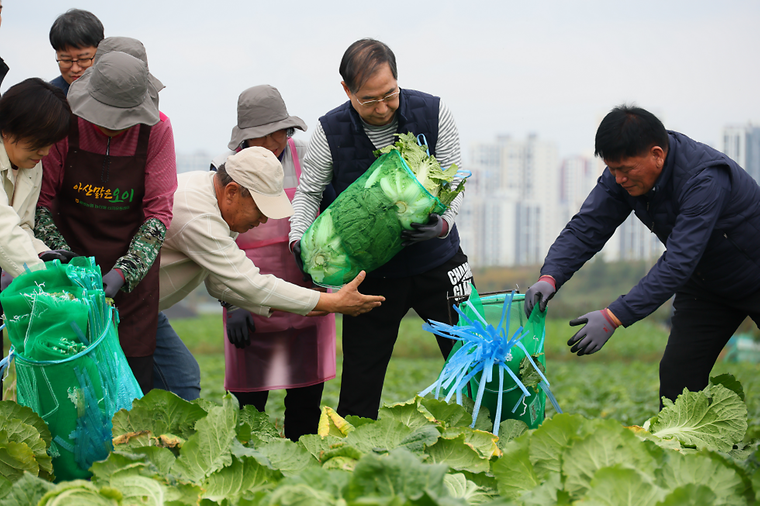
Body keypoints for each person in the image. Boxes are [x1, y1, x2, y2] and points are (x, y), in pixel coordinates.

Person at [524, 104, 760, 406]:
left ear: (657, 154)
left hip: (754, 275)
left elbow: (678, 262)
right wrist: (550, 275)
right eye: (612, 169)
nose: (619, 178)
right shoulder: (622, 178)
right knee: (679, 377)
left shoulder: (705, 179)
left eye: (625, 169)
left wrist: (613, 316)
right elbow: (587, 227)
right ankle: (684, 450)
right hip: (706, 286)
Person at [288, 38, 473, 420]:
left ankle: (496, 435)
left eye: (390, 95)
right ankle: (351, 458)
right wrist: (298, 240)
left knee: (474, 359)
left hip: (436, 260)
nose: (383, 108)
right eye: (369, 100)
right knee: (360, 383)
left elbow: (455, 180)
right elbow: (308, 193)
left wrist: (441, 225)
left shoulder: (434, 111)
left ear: (397, 80)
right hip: (370, 273)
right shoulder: (329, 129)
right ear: (347, 91)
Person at [157, 149, 385, 399]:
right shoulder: (199, 216)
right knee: (172, 385)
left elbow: (221, 285)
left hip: (147, 311)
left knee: (180, 381)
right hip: (123, 310)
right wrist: (333, 302)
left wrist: (318, 304)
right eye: (259, 208)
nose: (264, 219)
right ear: (232, 191)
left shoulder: (213, 197)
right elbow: (252, 284)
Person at [37, 51, 177, 395]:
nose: (111, 127)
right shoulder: (65, 125)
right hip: (67, 273)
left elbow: (158, 216)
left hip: (132, 279)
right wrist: (71, 267)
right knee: (71, 387)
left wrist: (122, 273)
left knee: (130, 388)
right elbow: (40, 205)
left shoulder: (157, 129)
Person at [209, 85, 336, 441]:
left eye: (278, 133)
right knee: (250, 409)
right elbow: (214, 242)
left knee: (306, 405)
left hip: (306, 298)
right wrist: (232, 303)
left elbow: (329, 217)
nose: (273, 143)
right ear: (245, 139)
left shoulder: (307, 158)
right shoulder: (223, 170)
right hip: (250, 304)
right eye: (261, 137)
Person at [48, 8, 104, 94]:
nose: (75, 69)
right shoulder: (50, 98)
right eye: (66, 60)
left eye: (83, 59)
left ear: (101, 52)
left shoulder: (120, 90)